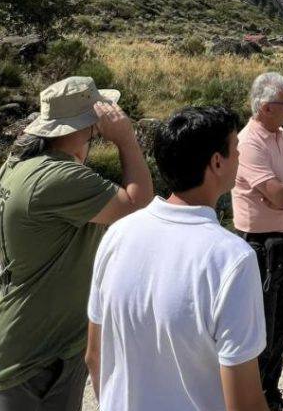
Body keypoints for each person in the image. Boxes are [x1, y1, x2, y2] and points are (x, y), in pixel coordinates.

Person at [0, 76, 153, 411]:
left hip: (41, 346)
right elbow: (138, 204)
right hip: (31, 359)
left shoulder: (22, 165)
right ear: (84, 126)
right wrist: (126, 140)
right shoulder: (58, 178)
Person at [85, 106, 269, 411]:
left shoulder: (117, 235)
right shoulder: (233, 259)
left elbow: (94, 356)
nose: (240, 156)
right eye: (236, 148)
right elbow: (246, 403)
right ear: (217, 162)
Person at [231, 72, 283, 411]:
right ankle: (256, 401)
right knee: (261, 331)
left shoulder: (279, 134)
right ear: (265, 107)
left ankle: (270, 395)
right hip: (260, 247)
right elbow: (282, 196)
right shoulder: (249, 143)